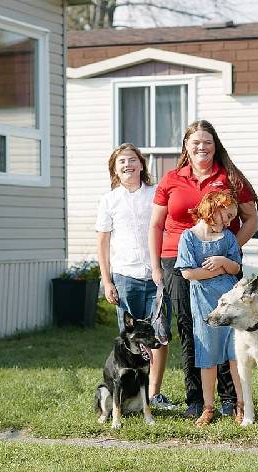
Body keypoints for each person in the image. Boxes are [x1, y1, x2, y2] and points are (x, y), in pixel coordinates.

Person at [149, 120, 258, 419]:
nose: (201, 147)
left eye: (207, 142)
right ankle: (197, 400)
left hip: (223, 266)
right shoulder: (171, 179)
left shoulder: (230, 178)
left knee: (227, 328)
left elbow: (250, 219)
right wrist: (156, 266)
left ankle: (230, 399)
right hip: (178, 260)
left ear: (215, 145)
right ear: (186, 146)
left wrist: (228, 249)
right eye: (195, 142)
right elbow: (156, 224)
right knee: (191, 329)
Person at [96, 143, 174, 410]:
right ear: (114, 169)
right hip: (125, 277)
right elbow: (103, 244)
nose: (127, 165)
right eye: (121, 162)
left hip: (157, 275)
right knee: (131, 338)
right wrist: (107, 281)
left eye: (132, 160)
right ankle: (130, 398)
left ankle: (153, 393)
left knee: (159, 334)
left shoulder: (156, 193)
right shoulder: (109, 201)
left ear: (141, 164)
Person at [175, 191, 244, 426]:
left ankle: (241, 404)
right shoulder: (188, 238)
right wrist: (218, 270)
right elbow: (188, 273)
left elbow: (236, 268)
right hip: (204, 303)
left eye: (232, 217)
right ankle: (208, 407)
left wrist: (223, 262)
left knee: (235, 355)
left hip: (230, 304)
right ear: (213, 209)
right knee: (208, 356)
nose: (229, 222)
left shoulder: (228, 238)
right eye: (227, 215)